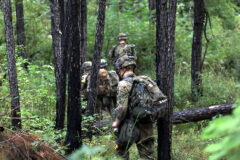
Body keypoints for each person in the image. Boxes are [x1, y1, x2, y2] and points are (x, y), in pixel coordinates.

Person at [112, 56, 167, 160]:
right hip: (147, 124)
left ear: (122, 69)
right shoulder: (146, 80)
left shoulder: (123, 84)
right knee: (147, 155)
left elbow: (122, 109)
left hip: (129, 125)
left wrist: (116, 122)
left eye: (119, 69)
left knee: (119, 150)